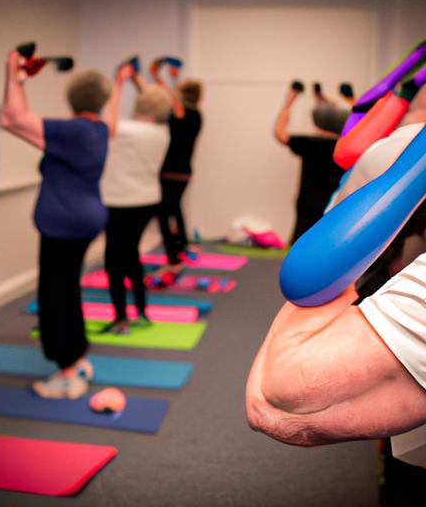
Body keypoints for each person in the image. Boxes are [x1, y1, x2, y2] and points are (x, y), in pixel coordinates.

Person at [245, 91, 426, 484]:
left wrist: (290, 101)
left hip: (338, 233)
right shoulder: (379, 150)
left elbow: (273, 403)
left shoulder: (388, 149)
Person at [1, 50, 111, 399]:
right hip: (83, 222)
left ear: (71, 97)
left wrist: (12, 72)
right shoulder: (97, 130)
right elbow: (26, 130)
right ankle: (77, 358)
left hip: (64, 228)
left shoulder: (76, 131)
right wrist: (19, 83)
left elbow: (11, 118)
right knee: (66, 290)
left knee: (55, 296)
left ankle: (66, 374)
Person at [100, 61, 172, 334]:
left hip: (119, 202)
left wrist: (118, 83)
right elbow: (156, 103)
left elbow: (108, 122)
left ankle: (121, 317)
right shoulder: (162, 132)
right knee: (131, 255)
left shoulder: (128, 129)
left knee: (114, 259)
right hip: (146, 201)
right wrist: (136, 81)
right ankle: (141, 310)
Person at [273, 81, 347, 243]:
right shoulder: (345, 146)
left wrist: (289, 101)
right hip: (333, 207)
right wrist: (322, 98)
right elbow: (338, 117)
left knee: (300, 247)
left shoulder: (309, 143)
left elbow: (279, 132)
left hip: (307, 206)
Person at [150, 58, 203, 273]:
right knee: (175, 209)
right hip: (184, 171)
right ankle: (182, 246)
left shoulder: (185, 113)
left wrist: (158, 76)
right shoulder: (198, 115)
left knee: (163, 213)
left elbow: (172, 99)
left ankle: (173, 256)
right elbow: (174, 99)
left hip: (171, 171)